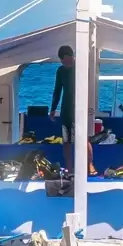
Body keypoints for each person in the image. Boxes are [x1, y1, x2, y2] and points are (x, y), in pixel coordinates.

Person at [50, 45, 79, 173]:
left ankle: (88, 166)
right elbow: (57, 91)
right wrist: (53, 109)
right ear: (61, 60)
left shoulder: (81, 68)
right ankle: (69, 168)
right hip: (66, 110)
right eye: (65, 60)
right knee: (66, 141)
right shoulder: (60, 71)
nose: (68, 62)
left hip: (80, 110)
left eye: (70, 59)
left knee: (83, 140)